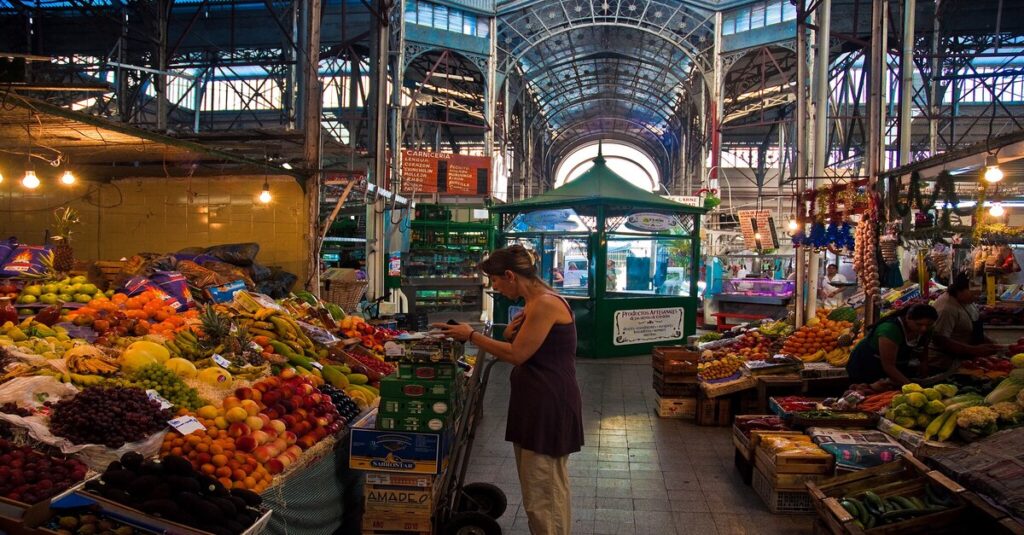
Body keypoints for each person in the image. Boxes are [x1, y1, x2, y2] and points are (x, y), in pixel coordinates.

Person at [432, 245, 583, 535]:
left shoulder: (545, 303)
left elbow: (517, 354)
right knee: (542, 489)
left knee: (544, 495)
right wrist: (507, 333)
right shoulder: (534, 302)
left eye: (496, 281)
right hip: (535, 403)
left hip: (548, 404)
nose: (495, 287)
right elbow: (522, 344)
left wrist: (472, 335)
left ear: (510, 275)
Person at [846, 304, 939, 387]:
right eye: (919, 324)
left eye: (929, 325)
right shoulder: (890, 330)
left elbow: (923, 354)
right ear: (908, 318)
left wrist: (925, 378)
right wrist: (913, 388)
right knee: (866, 392)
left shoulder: (926, 330)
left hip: (893, 366)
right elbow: (889, 366)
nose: (924, 328)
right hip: (867, 365)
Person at [931, 274, 1004, 366]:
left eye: (980, 293)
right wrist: (974, 350)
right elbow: (940, 339)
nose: (978, 296)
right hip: (946, 362)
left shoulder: (968, 301)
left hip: (966, 358)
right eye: (974, 293)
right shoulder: (946, 308)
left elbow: (970, 329)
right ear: (959, 289)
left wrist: (990, 342)